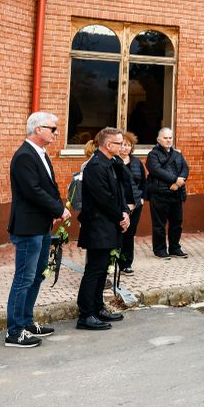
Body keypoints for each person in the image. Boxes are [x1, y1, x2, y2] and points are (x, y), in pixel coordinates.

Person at [5, 112, 70, 348]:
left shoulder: (40, 154)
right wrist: (58, 209)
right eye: (52, 129)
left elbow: (48, 187)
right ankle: (14, 332)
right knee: (24, 278)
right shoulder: (24, 156)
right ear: (37, 129)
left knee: (37, 274)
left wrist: (54, 210)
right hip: (27, 227)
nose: (55, 133)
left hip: (41, 225)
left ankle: (26, 322)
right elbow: (32, 190)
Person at [76, 127, 130, 330]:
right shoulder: (96, 166)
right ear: (108, 145)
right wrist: (120, 216)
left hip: (110, 224)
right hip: (98, 226)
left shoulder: (111, 163)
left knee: (102, 271)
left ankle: (98, 307)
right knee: (94, 270)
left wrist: (125, 212)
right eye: (119, 143)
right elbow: (104, 198)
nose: (123, 146)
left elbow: (120, 191)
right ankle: (86, 314)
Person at [146, 127, 190, 259]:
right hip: (159, 194)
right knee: (159, 224)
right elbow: (156, 170)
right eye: (165, 138)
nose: (168, 140)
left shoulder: (177, 154)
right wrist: (175, 180)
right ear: (159, 140)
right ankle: (160, 250)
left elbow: (185, 168)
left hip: (176, 194)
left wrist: (179, 182)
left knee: (177, 223)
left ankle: (175, 248)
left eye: (170, 137)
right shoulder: (152, 155)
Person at [118, 131, 146, 274]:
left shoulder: (136, 162)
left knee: (129, 234)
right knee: (118, 233)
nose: (125, 148)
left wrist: (141, 199)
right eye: (123, 145)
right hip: (119, 205)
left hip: (135, 204)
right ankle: (113, 262)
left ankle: (126, 263)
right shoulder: (114, 162)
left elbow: (143, 182)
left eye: (128, 145)